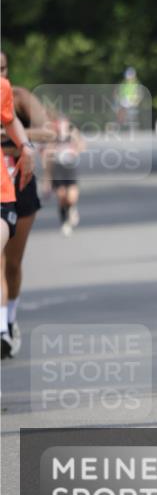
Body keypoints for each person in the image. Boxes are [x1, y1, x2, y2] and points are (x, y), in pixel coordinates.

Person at [0, 51, 56, 350]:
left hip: (19, 183)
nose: (0, 74)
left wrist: (8, 137)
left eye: (3, 68)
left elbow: (46, 132)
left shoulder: (18, 97)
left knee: (12, 262)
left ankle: (10, 317)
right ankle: (2, 330)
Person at [1, 76, 36, 358]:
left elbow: (47, 131)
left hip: (12, 188)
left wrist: (24, 145)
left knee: (10, 262)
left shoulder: (14, 92)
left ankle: (6, 323)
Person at [41, 117, 86, 236]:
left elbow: (82, 146)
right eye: (59, 125)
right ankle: (64, 222)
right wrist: (47, 179)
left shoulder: (71, 138)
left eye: (64, 124)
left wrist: (74, 132)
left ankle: (71, 209)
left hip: (70, 170)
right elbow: (48, 160)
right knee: (61, 196)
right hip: (58, 171)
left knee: (71, 197)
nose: (61, 127)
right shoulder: (53, 140)